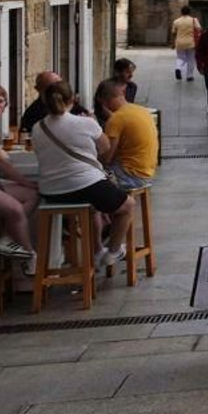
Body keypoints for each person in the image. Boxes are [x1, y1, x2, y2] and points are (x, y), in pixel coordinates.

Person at [31, 81, 135, 271]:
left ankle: (97, 251)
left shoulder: (37, 128)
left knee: (92, 209)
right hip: (85, 184)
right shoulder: (86, 123)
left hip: (50, 192)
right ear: (73, 99)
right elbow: (105, 150)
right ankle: (113, 252)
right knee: (127, 206)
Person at [0, 85, 38, 271]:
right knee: (15, 210)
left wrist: (26, 184)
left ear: (5, 105)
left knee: (33, 194)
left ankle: (7, 236)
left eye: (0, 101)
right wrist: (24, 180)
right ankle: (30, 260)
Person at [97, 80, 158, 190]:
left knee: (91, 174)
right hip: (147, 173)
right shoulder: (141, 110)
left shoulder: (116, 119)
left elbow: (107, 157)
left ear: (103, 102)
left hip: (130, 176)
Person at [20, 71, 84, 134]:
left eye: (61, 86)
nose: (58, 90)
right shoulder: (32, 113)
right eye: (52, 88)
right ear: (38, 89)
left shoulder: (74, 107)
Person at [96, 60, 140, 126]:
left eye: (132, 72)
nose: (131, 75)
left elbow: (129, 106)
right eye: (127, 72)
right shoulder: (106, 86)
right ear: (117, 72)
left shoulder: (132, 87)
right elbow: (101, 108)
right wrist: (117, 119)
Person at [171, 5, 200, 81]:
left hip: (179, 42)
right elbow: (199, 29)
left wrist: (173, 43)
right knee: (191, 59)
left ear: (181, 12)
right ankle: (189, 76)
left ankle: (178, 68)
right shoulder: (194, 20)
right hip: (191, 43)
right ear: (189, 12)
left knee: (180, 57)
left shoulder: (176, 21)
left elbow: (173, 33)